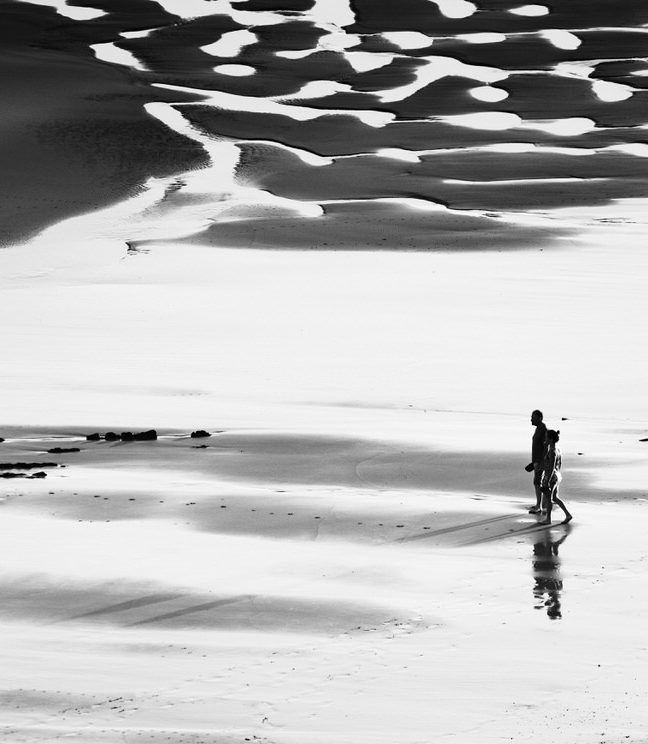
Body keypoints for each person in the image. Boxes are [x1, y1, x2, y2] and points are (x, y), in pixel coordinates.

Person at [539, 429, 572, 525]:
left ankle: (548, 519)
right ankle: (567, 514)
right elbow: (559, 464)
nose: (545, 439)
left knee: (549, 498)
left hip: (551, 477)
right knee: (555, 498)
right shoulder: (558, 450)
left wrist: (547, 480)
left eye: (546, 437)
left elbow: (551, 466)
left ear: (551, 439)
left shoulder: (552, 451)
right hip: (557, 475)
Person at [526, 409, 547, 514]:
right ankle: (540, 504)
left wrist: (540, 462)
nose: (531, 419)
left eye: (533, 417)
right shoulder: (539, 428)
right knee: (537, 482)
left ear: (539, 418)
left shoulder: (542, 429)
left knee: (537, 482)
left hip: (539, 461)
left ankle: (539, 506)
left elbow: (545, 446)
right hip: (537, 461)